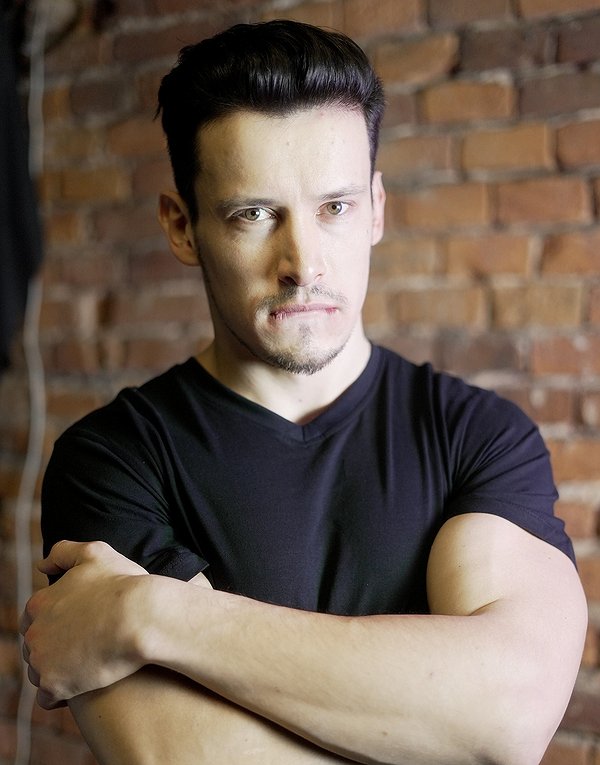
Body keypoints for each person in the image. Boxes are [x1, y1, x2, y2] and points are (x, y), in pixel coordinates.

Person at [21, 19, 587, 765]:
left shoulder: (478, 436)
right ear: (182, 226)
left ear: (376, 208)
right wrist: (432, 721)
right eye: (254, 214)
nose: (303, 263)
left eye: (335, 207)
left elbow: (506, 717)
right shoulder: (113, 459)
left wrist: (151, 612)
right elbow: (186, 755)